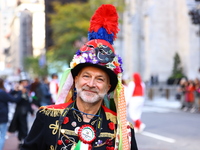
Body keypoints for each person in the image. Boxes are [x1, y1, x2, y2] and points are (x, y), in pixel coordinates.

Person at [21, 4, 138, 150]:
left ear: (108, 87)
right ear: (75, 80)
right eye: (86, 76)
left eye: (100, 79)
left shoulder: (122, 130)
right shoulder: (47, 117)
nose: (91, 84)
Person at [8, 73, 34, 148]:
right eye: (23, 82)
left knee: (23, 126)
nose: (25, 83)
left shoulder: (26, 91)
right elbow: (12, 97)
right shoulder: (18, 91)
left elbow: (28, 102)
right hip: (18, 111)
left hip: (23, 112)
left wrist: (31, 111)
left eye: (26, 82)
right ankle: (21, 141)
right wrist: (16, 90)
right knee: (19, 126)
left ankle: (24, 141)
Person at [0, 78, 22, 150]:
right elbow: (14, 100)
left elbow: (7, 96)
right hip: (2, 117)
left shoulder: (2, 93)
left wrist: (14, 91)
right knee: (2, 136)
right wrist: (20, 92)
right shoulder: (2, 92)